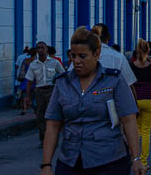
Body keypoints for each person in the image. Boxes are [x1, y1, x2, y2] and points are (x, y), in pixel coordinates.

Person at [40, 27, 145, 175]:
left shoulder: (113, 81)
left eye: (82, 56)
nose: (76, 61)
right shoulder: (62, 83)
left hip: (109, 161)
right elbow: (53, 124)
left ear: (96, 54)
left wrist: (136, 159)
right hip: (70, 161)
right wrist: (46, 164)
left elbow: (128, 120)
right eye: (73, 56)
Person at [24, 41, 64, 146]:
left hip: (52, 91)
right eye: (38, 48)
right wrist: (27, 97)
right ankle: (43, 139)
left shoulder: (54, 62)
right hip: (39, 92)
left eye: (42, 47)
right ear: (36, 50)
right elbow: (29, 82)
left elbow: (63, 75)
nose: (40, 50)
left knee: (51, 115)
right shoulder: (33, 65)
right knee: (40, 116)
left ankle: (52, 138)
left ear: (46, 49)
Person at [129, 39, 151, 168]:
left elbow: (129, 83)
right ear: (148, 51)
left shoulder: (132, 65)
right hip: (148, 99)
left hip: (135, 100)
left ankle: (134, 159)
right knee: (146, 132)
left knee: (136, 131)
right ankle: (144, 161)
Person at [17, 47, 37, 115]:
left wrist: (20, 77)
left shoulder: (26, 60)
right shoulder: (36, 61)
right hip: (34, 80)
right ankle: (35, 108)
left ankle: (24, 109)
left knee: (25, 95)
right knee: (34, 96)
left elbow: (22, 70)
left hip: (26, 79)